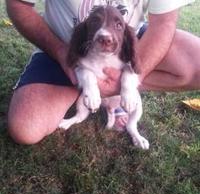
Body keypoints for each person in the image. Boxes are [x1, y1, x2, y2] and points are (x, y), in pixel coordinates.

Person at [6, 0, 199, 145]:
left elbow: (164, 23)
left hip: (129, 43)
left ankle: (117, 93)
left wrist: (131, 78)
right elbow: (17, 4)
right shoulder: (78, 39)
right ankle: (87, 89)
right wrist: (61, 53)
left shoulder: (127, 39)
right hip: (68, 47)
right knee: (25, 129)